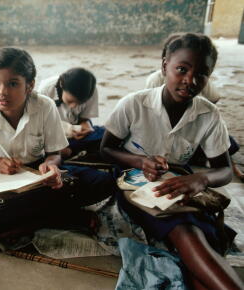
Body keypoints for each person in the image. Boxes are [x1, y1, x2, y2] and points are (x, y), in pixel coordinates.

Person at [100, 33, 243, 289]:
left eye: (201, 73)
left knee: (197, 233)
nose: (190, 80)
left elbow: (224, 170)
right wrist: (139, 160)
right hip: (134, 185)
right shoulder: (134, 104)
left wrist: (201, 179)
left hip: (180, 184)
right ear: (164, 65)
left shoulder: (208, 114)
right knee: (186, 231)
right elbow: (106, 149)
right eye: (182, 69)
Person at [0, 47, 118, 242]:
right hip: (4, 178)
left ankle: (38, 217)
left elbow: (55, 152)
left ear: (29, 86)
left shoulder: (44, 106)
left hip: (39, 175)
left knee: (105, 183)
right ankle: (57, 216)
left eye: (13, 84)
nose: (2, 92)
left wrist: (52, 165)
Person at [145, 32, 243, 181]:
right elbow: (150, 109)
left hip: (191, 127)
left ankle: (230, 166)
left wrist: (198, 115)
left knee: (227, 143)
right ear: (165, 62)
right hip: (164, 131)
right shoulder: (154, 81)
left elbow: (214, 98)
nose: (190, 81)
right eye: (181, 69)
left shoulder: (201, 82)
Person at [37, 68, 105, 158]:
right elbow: (38, 125)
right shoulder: (45, 90)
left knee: (106, 134)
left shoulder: (90, 91)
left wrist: (86, 126)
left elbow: (84, 118)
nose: (73, 106)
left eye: (80, 103)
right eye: (70, 101)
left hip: (76, 132)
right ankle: (68, 151)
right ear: (61, 84)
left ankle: (70, 151)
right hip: (51, 134)